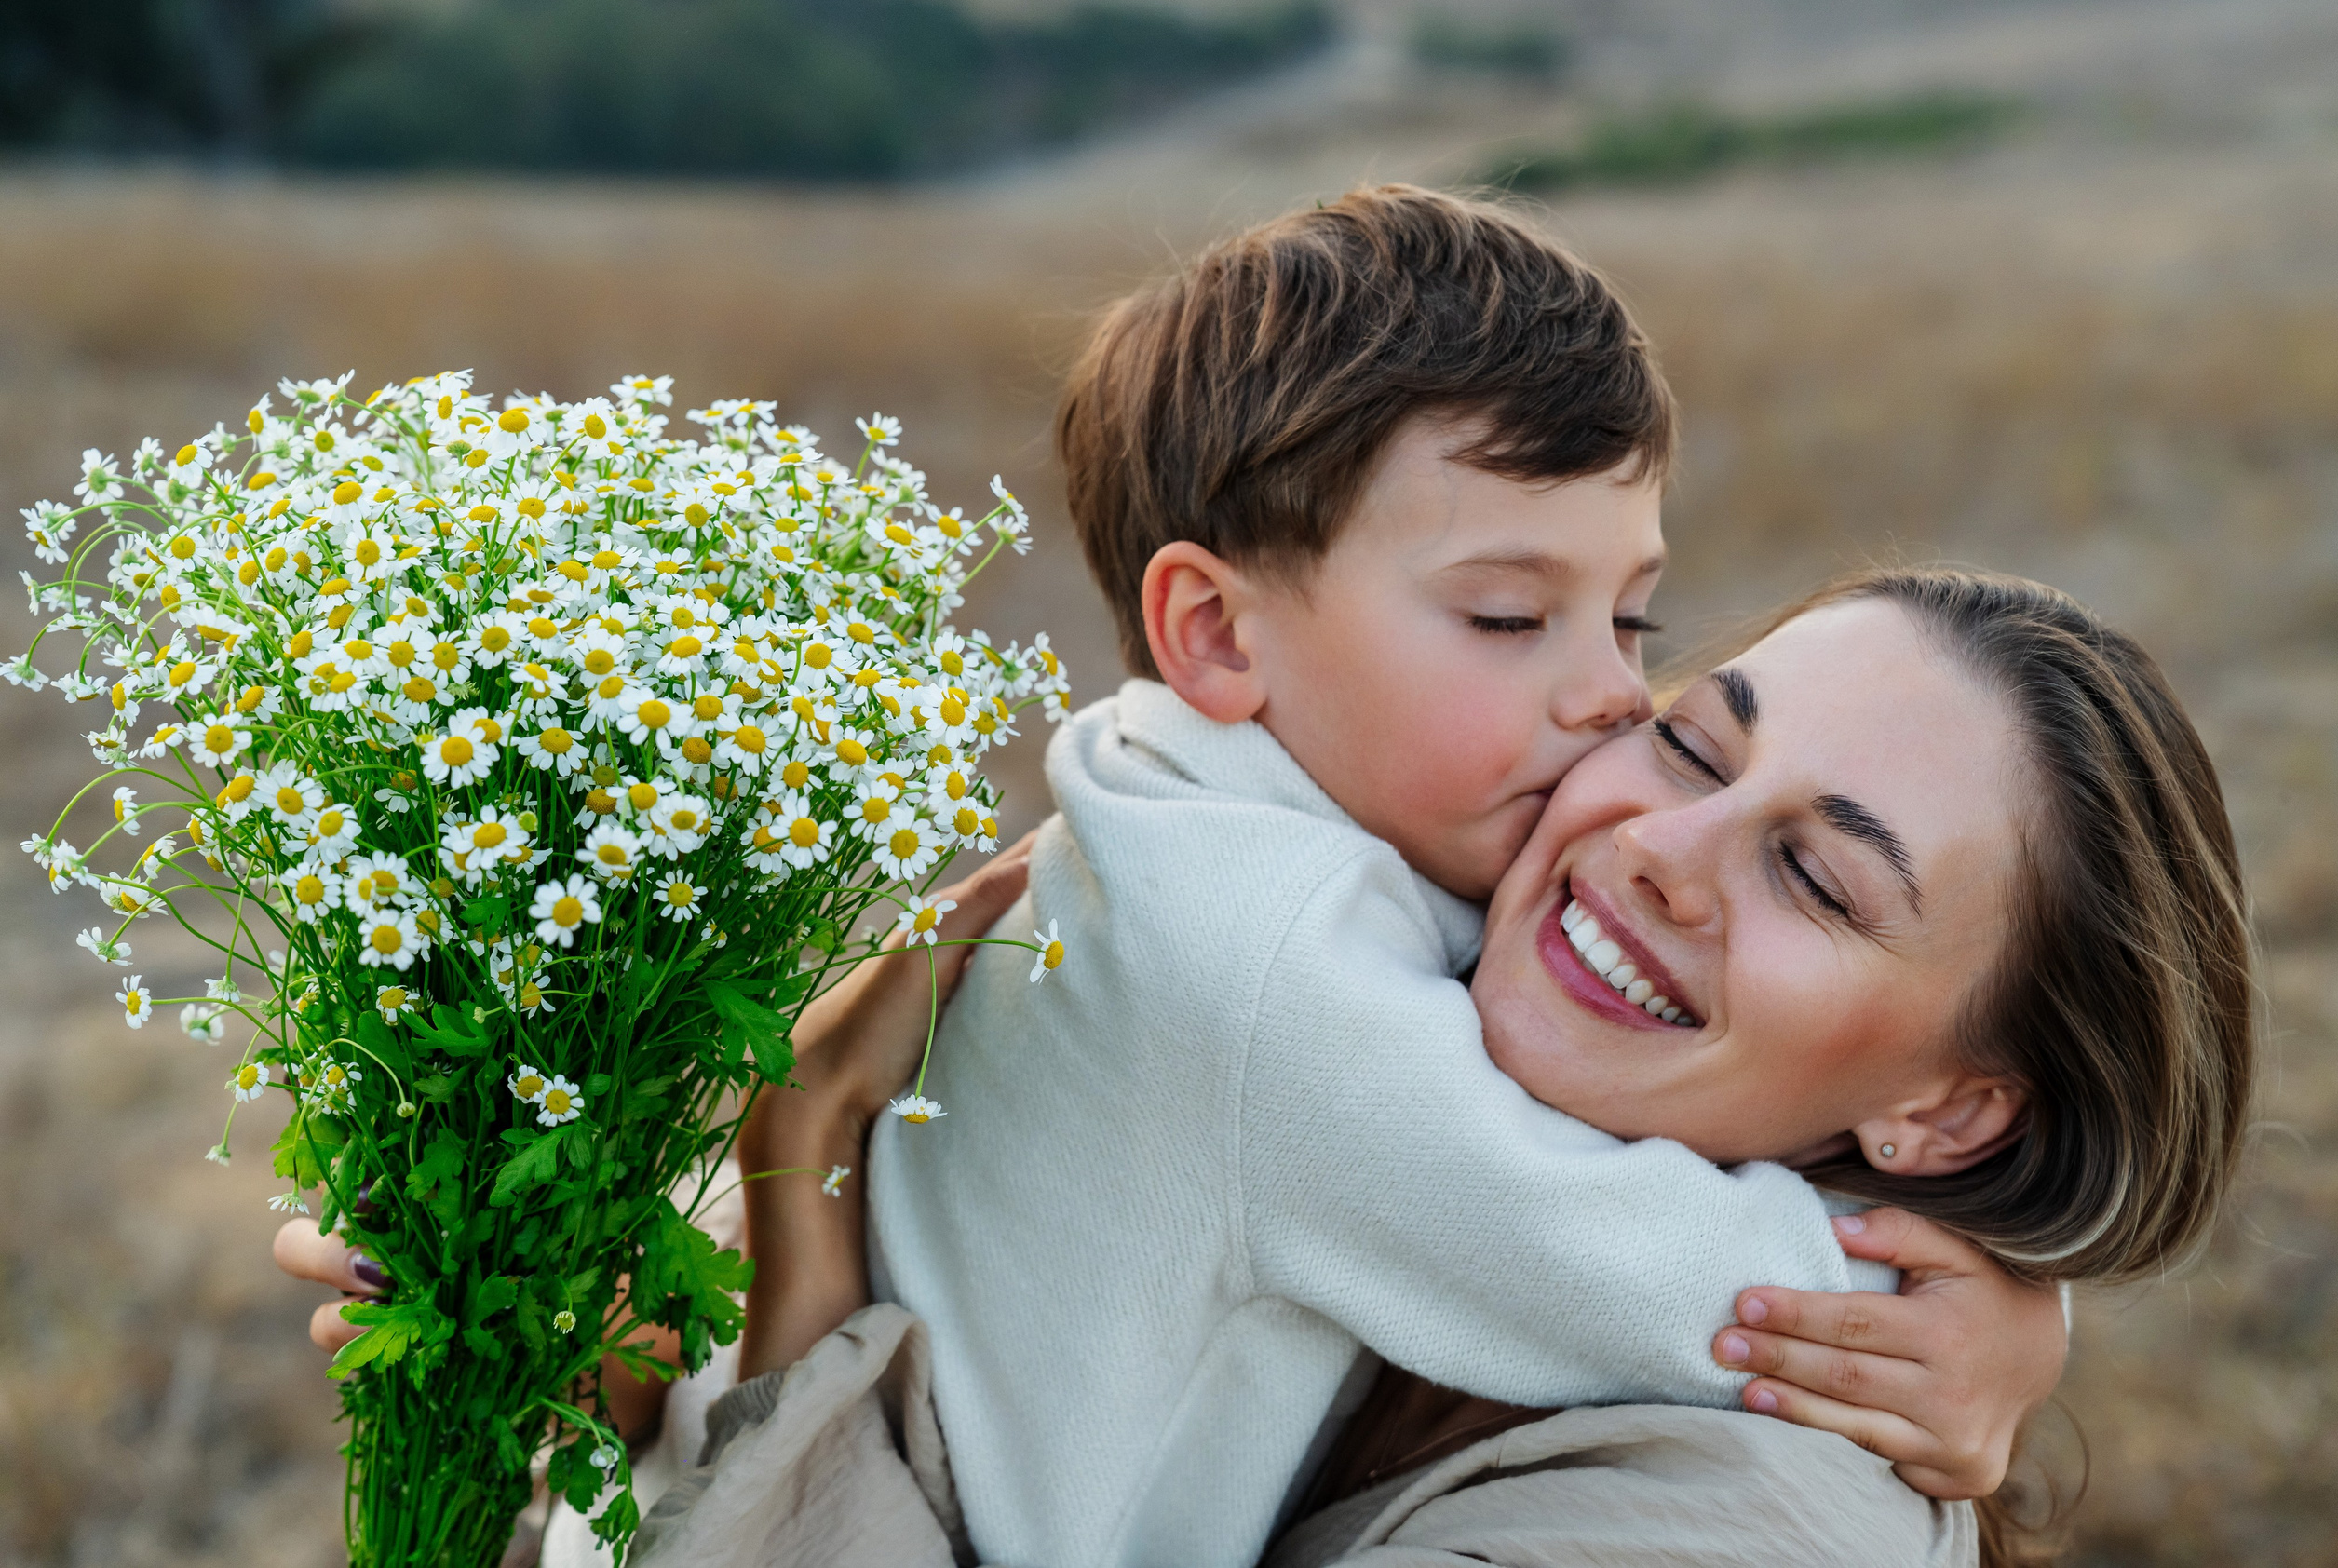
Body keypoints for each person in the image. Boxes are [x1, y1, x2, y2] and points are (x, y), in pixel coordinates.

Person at [859, 187, 2071, 1568]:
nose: (1613, 695)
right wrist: (1962, 1317)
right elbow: (1589, 1255)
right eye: (1509, 617)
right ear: (1217, 634)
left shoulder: (1202, 816)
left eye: (1631, 618)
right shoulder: (1249, 956)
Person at [633, 565, 2250, 1568]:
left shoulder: (1754, 1526)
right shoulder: (1366, 977)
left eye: (1817, 879)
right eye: (1690, 741)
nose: (1660, 847)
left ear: (1947, 1112)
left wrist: (804, 1217)